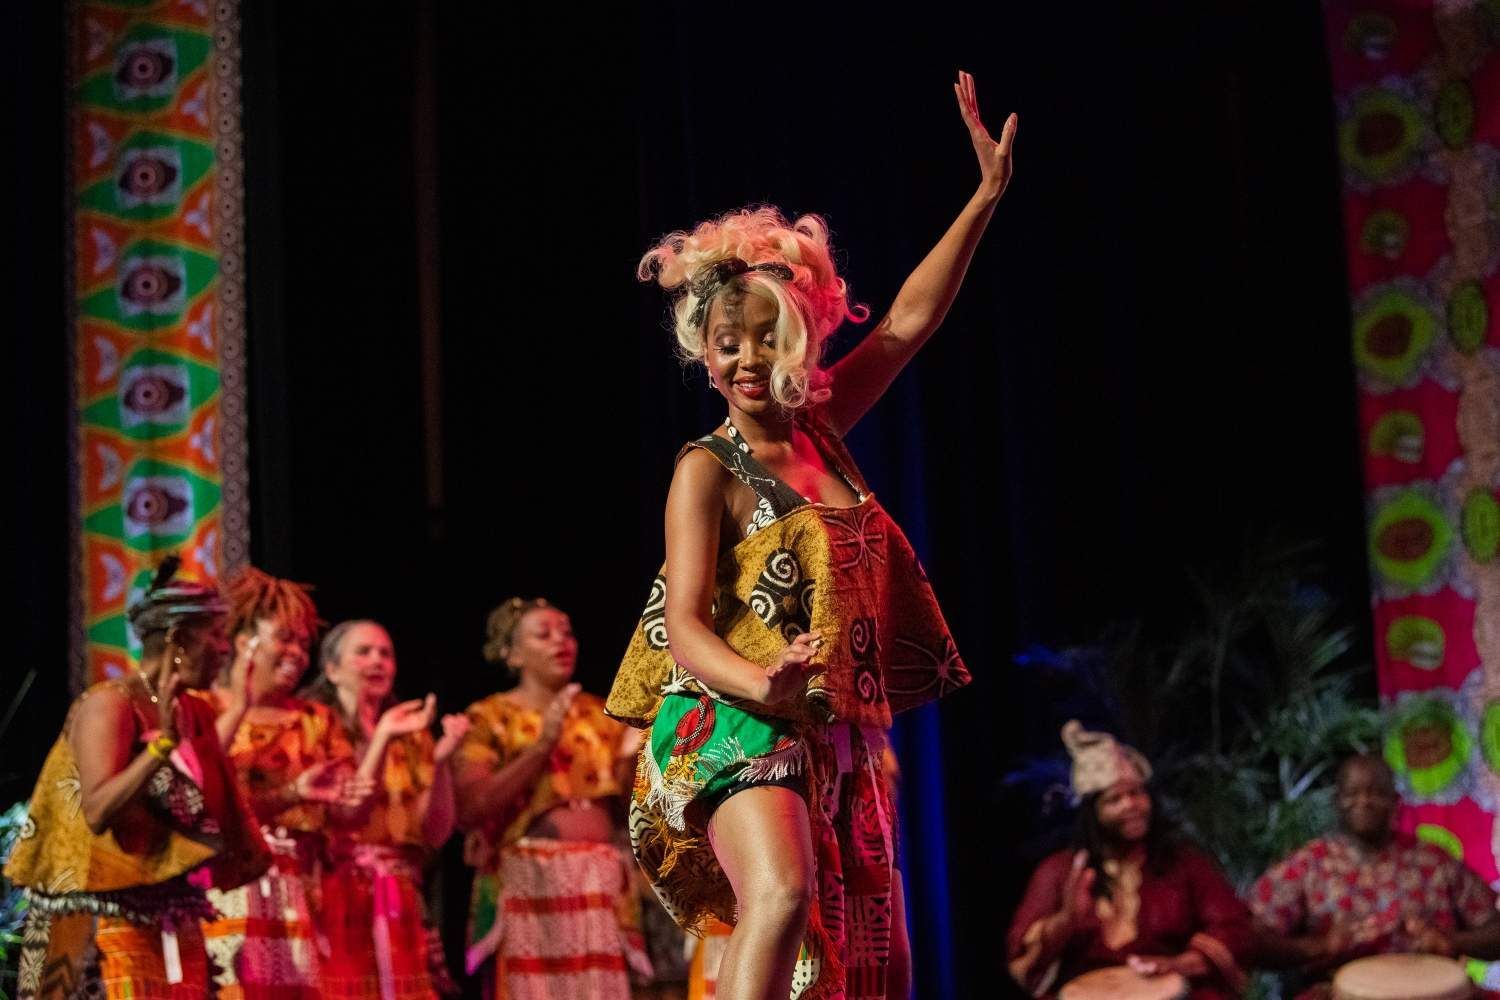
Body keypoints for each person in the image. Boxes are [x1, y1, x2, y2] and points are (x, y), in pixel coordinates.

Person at [607, 70, 1013, 1000]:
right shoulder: (704, 469)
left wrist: (983, 197)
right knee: (782, 897)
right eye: (727, 342)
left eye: (766, 338)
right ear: (701, 352)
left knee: (876, 956)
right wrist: (764, 681)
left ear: (803, 340)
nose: (748, 359)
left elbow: (909, 322)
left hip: (837, 727)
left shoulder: (823, 431)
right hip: (735, 717)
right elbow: (686, 629)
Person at [5, 557, 270, 999]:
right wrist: (160, 747)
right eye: (217, 635)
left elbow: (217, 810)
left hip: (167, 906)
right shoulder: (108, 704)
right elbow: (97, 809)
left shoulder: (196, 710)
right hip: (94, 914)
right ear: (179, 640)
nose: (226, 648)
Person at [453, 597, 649, 1000]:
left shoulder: (603, 713)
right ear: (512, 653)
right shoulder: (490, 716)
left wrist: (633, 757)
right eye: (543, 634)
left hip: (597, 881)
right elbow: (471, 807)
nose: (561, 641)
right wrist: (542, 746)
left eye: (567, 632)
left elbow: (628, 806)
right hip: (528, 880)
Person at [200, 567, 371, 999]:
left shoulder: (316, 720)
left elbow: (351, 815)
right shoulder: (204, 708)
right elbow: (201, 796)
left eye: (302, 642)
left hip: (300, 892)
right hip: (228, 885)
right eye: (284, 638)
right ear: (243, 642)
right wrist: (240, 704)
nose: (297, 652)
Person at [1006, 722, 1252, 999]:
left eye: (1137, 793)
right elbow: (1021, 960)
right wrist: (1067, 919)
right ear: (1092, 813)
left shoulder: (1184, 863)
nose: (1131, 805)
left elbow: (1234, 927)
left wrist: (1181, 964)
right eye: (1115, 799)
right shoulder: (1059, 871)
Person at [302, 619, 470, 1000]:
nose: (377, 661)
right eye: (363, 652)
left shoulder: (410, 735)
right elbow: (347, 814)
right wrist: (381, 739)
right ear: (331, 669)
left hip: (398, 891)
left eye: (386, 653)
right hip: (335, 890)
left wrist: (440, 761)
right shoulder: (315, 727)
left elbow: (435, 832)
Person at [1250, 753, 1500, 998]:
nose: (1365, 801)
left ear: (1396, 802)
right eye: (1352, 793)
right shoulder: (1308, 864)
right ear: (1337, 801)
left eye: (1377, 793)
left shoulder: (1434, 860)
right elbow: (1251, 941)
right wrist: (1320, 946)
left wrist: (1451, 942)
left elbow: (1494, 933)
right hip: (1334, 990)